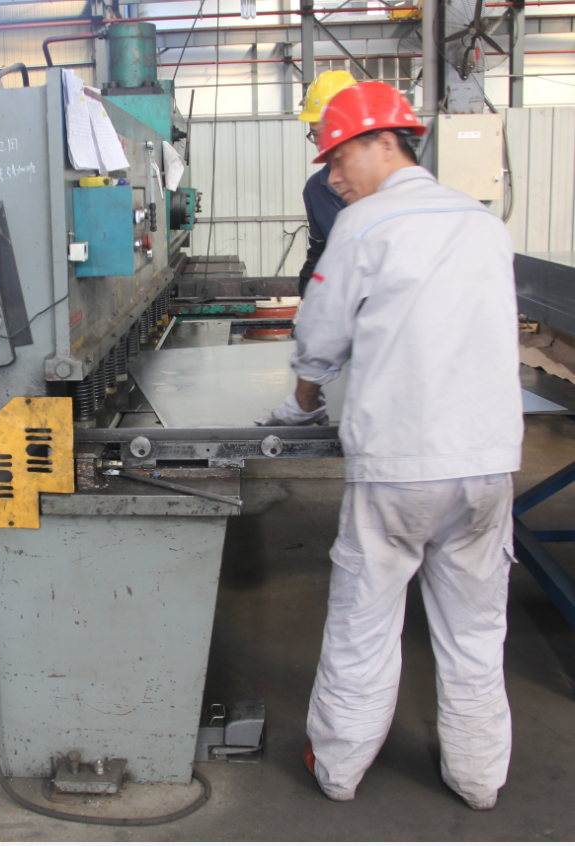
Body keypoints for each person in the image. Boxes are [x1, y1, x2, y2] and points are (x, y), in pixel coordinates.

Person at [256, 81, 524, 811]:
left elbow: (320, 336)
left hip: (400, 467)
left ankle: (338, 767)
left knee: (363, 620)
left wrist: (301, 402)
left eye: (339, 158)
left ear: (384, 143)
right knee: (475, 631)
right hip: (486, 464)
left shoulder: (364, 225)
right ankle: (478, 779)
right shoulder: (482, 224)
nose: (333, 178)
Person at [297, 70, 357, 297]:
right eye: (315, 134)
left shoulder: (387, 187)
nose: (322, 144)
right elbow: (320, 249)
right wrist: (309, 284)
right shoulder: (315, 189)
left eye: (329, 132)